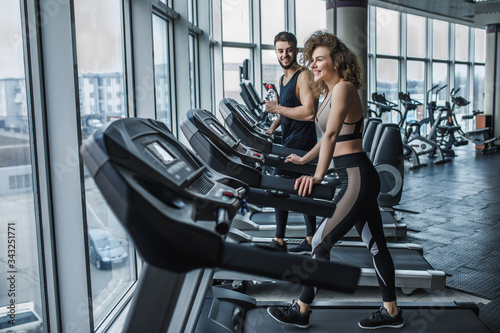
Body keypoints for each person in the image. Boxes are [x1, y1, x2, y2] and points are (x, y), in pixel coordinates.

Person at [267, 30, 404, 330]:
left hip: (357, 176)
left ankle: (301, 310)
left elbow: (330, 135)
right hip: (352, 177)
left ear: (336, 61)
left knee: (320, 242)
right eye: (312, 60)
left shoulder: (344, 88)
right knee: (376, 245)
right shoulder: (329, 92)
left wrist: (316, 175)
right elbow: (327, 136)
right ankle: (392, 312)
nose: (313, 65)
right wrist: (304, 160)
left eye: (319, 60)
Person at [265, 31, 319, 254]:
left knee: (280, 188)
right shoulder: (283, 79)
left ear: (296, 50)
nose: (284, 54)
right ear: (276, 53)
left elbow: (309, 112)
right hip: (288, 141)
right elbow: (286, 112)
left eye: (288, 50)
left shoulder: (303, 75)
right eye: (280, 50)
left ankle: (279, 240)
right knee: (302, 189)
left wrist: (277, 108)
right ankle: (309, 238)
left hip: (302, 144)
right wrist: (271, 127)